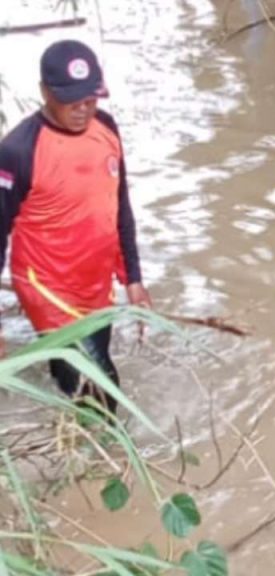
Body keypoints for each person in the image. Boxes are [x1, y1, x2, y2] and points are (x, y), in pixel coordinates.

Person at [0, 39, 151, 414]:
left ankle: (67, 423)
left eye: (91, 99)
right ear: (44, 93)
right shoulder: (18, 151)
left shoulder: (106, 128)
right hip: (47, 288)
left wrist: (133, 277)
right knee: (100, 386)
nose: (83, 110)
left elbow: (120, 206)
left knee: (80, 370)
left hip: (95, 283)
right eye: (72, 101)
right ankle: (103, 457)